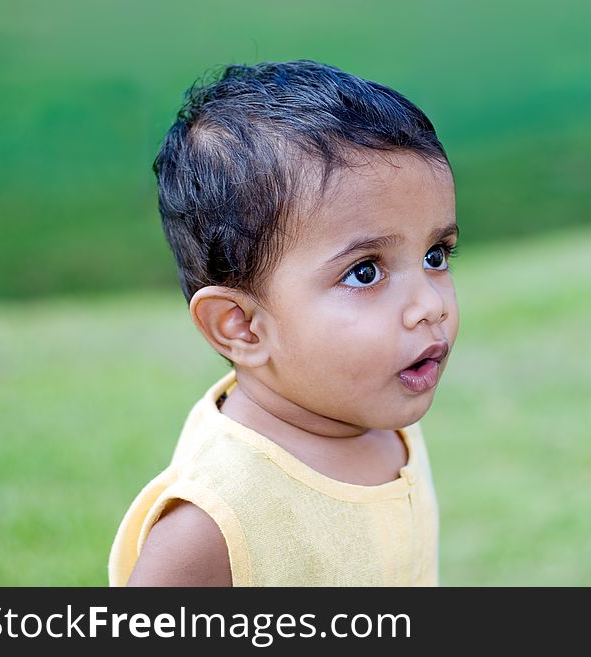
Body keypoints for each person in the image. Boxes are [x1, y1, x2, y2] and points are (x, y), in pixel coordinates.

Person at [107, 60, 459, 586]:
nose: (429, 304)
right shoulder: (213, 521)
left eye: (436, 254)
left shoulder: (378, 416)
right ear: (241, 326)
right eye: (364, 272)